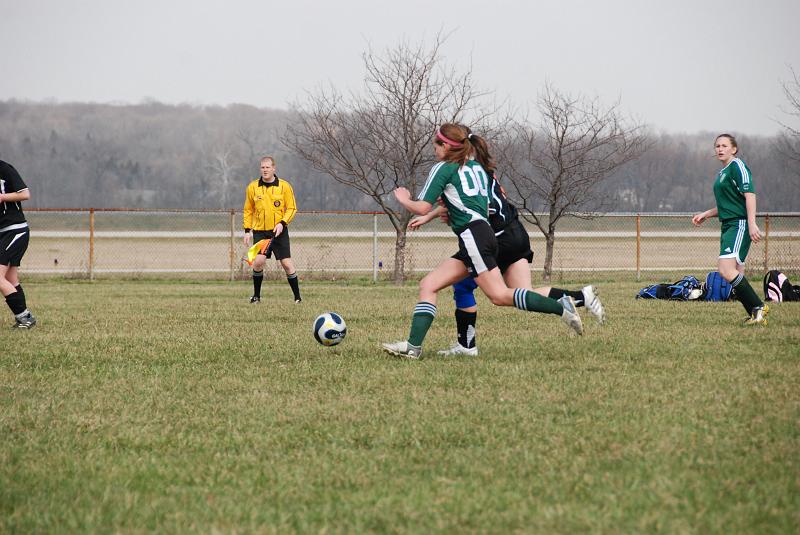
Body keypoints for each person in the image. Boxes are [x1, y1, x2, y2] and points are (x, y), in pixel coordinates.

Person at [382, 124, 584, 360]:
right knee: (429, 284)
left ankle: (562, 308)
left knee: (499, 296)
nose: (434, 150)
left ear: (446, 146)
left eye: (436, 145)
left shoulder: (443, 168)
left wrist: (404, 199)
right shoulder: (476, 167)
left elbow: (422, 204)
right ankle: (413, 347)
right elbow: (467, 203)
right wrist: (436, 215)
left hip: (473, 238)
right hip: (482, 233)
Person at [410, 163, 605, 357]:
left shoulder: (467, 172)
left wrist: (441, 213)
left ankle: (466, 346)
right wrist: (434, 215)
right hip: (514, 233)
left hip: (494, 239)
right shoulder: (480, 171)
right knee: (524, 293)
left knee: (491, 293)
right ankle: (580, 297)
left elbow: (476, 207)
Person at [692, 134, 767, 324]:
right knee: (736, 273)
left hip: (739, 224)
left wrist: (751, 224)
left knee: (725, 269)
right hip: (728, 226)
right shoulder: (722, 173)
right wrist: (706, 214)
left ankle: (759, 307)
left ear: (734, 149)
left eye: (724, 145)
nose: (720, 149)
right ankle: (755, 314)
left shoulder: (737, 167)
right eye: (717, 146)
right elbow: (727, 205)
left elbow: (750, 195)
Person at [243, 156, 302, 304]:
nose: (265, 170)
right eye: (262, 167)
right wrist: (246, 230)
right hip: (260, 232)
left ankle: (297, 298)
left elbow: (292, 208)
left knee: (287, 264)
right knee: (258, 262)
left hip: (279, 232)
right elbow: (248, 210)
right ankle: (256, 296)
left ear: (273, 168)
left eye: (268, 167)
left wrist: (282, 223)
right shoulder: (252, 187)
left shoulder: (284, 186)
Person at [0, 159, 36, 328]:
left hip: (15, 230)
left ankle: (25, 318)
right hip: (3, 232)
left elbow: (25, 194)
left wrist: (2, 197)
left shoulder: (5, 169)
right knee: (10, 278)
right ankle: (25, 318)